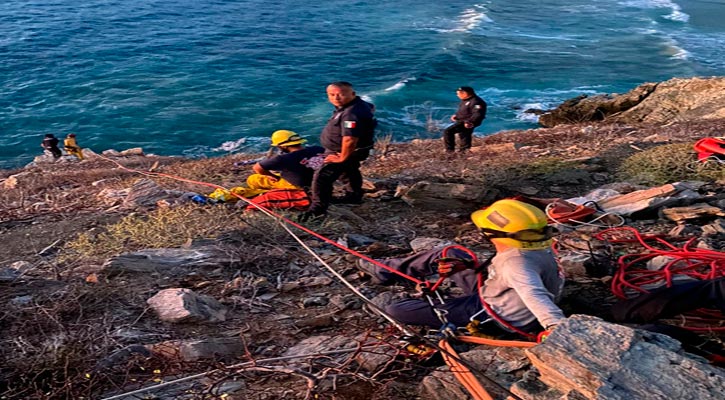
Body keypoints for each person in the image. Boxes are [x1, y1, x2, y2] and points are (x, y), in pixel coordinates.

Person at [356, 199, 565, 337]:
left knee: (396, 310)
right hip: (498, 294)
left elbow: (533, 293)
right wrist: (468, 267)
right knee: (450, 253)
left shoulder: (515, 264)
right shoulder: (537, 247)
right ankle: (385, 270)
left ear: (490, 233)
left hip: (491, 315)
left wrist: (556, 327)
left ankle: (387, 291)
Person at [300, 81, 376, 221]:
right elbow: (371, 108)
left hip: (344, 151)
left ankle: (317, 210)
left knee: (322, 176)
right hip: (347, 149)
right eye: (332, 94)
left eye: (340, 94)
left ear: (352, 94)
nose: (336, 98)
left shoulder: (350, 114)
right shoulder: (356, 106)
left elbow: (350, 139)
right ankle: (353, 196)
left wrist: (342, 157)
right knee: (349, 170)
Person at [205, 130, 325, 202]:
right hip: (319, 182)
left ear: (282, 146)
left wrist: (273, 176)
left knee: (253, 179)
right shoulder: (317, 149)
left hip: (297, 186)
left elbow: (257, 168)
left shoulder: (283, 158)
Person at [443, 86, 487, 153]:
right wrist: (456, 116)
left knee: (448, 131)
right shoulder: (465, 100)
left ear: (465, 93)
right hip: (463, 121)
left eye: (458, 93)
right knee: (464, 134)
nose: (457, 95)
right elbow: (465, 111)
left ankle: (449, 151)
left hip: (468, 122)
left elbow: (478, 114)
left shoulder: (476, 102)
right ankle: (464, 151)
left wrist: (470, 122)